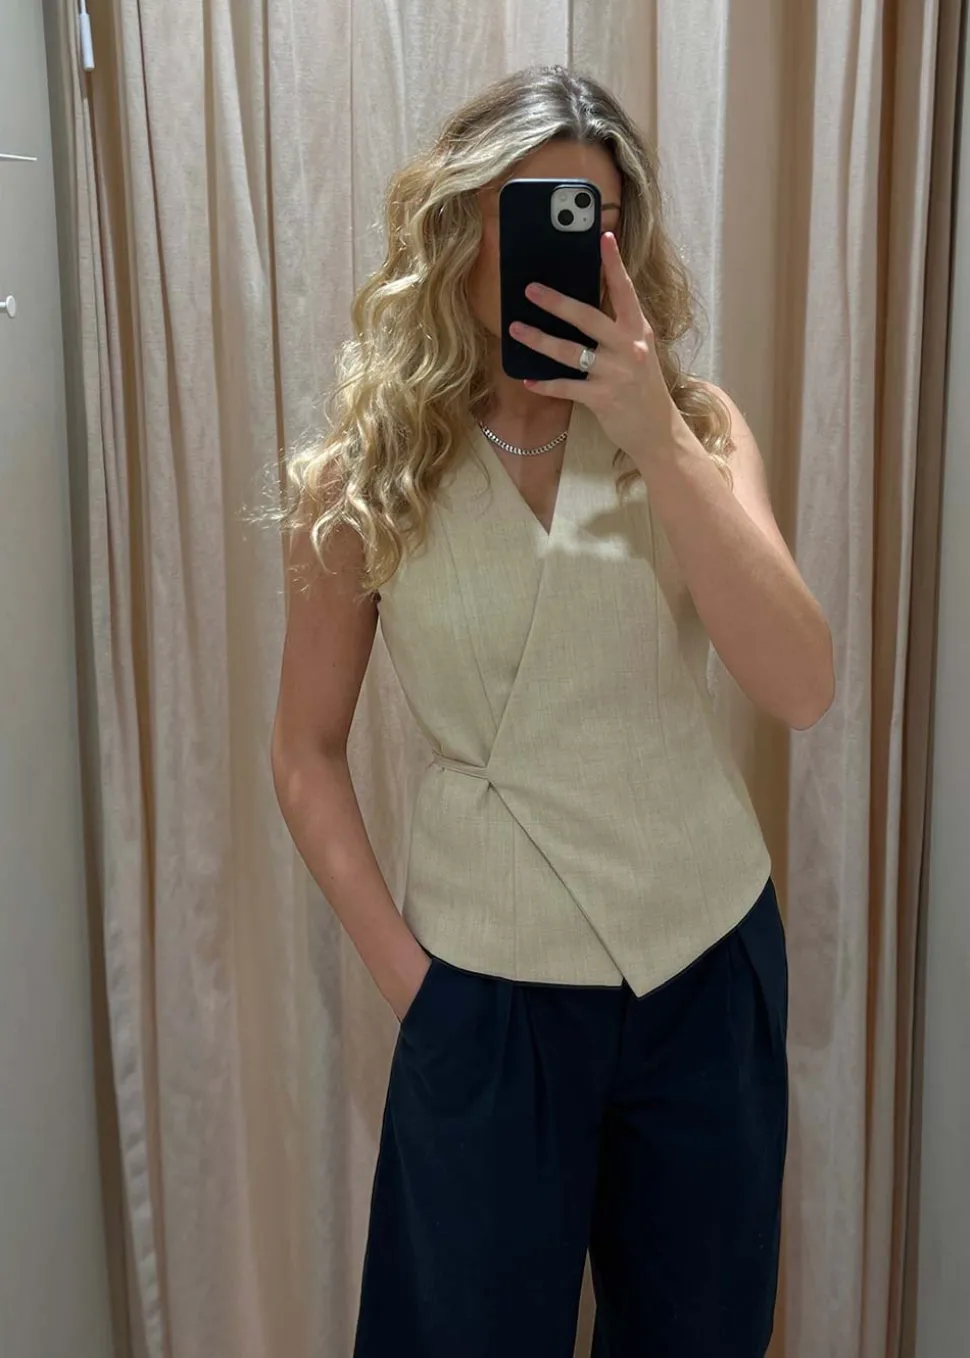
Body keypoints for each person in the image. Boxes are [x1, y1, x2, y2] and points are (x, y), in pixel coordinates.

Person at [270, 65, 834, 1358]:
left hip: (702, 967)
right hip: (486, 993)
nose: (558, 249)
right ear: (455, 222)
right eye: (522, 213)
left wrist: (653, 432)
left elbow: (800, 684)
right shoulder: (366, 475)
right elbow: (303, 752)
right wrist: (416, 988)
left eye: (592, 220)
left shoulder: (691, 429)